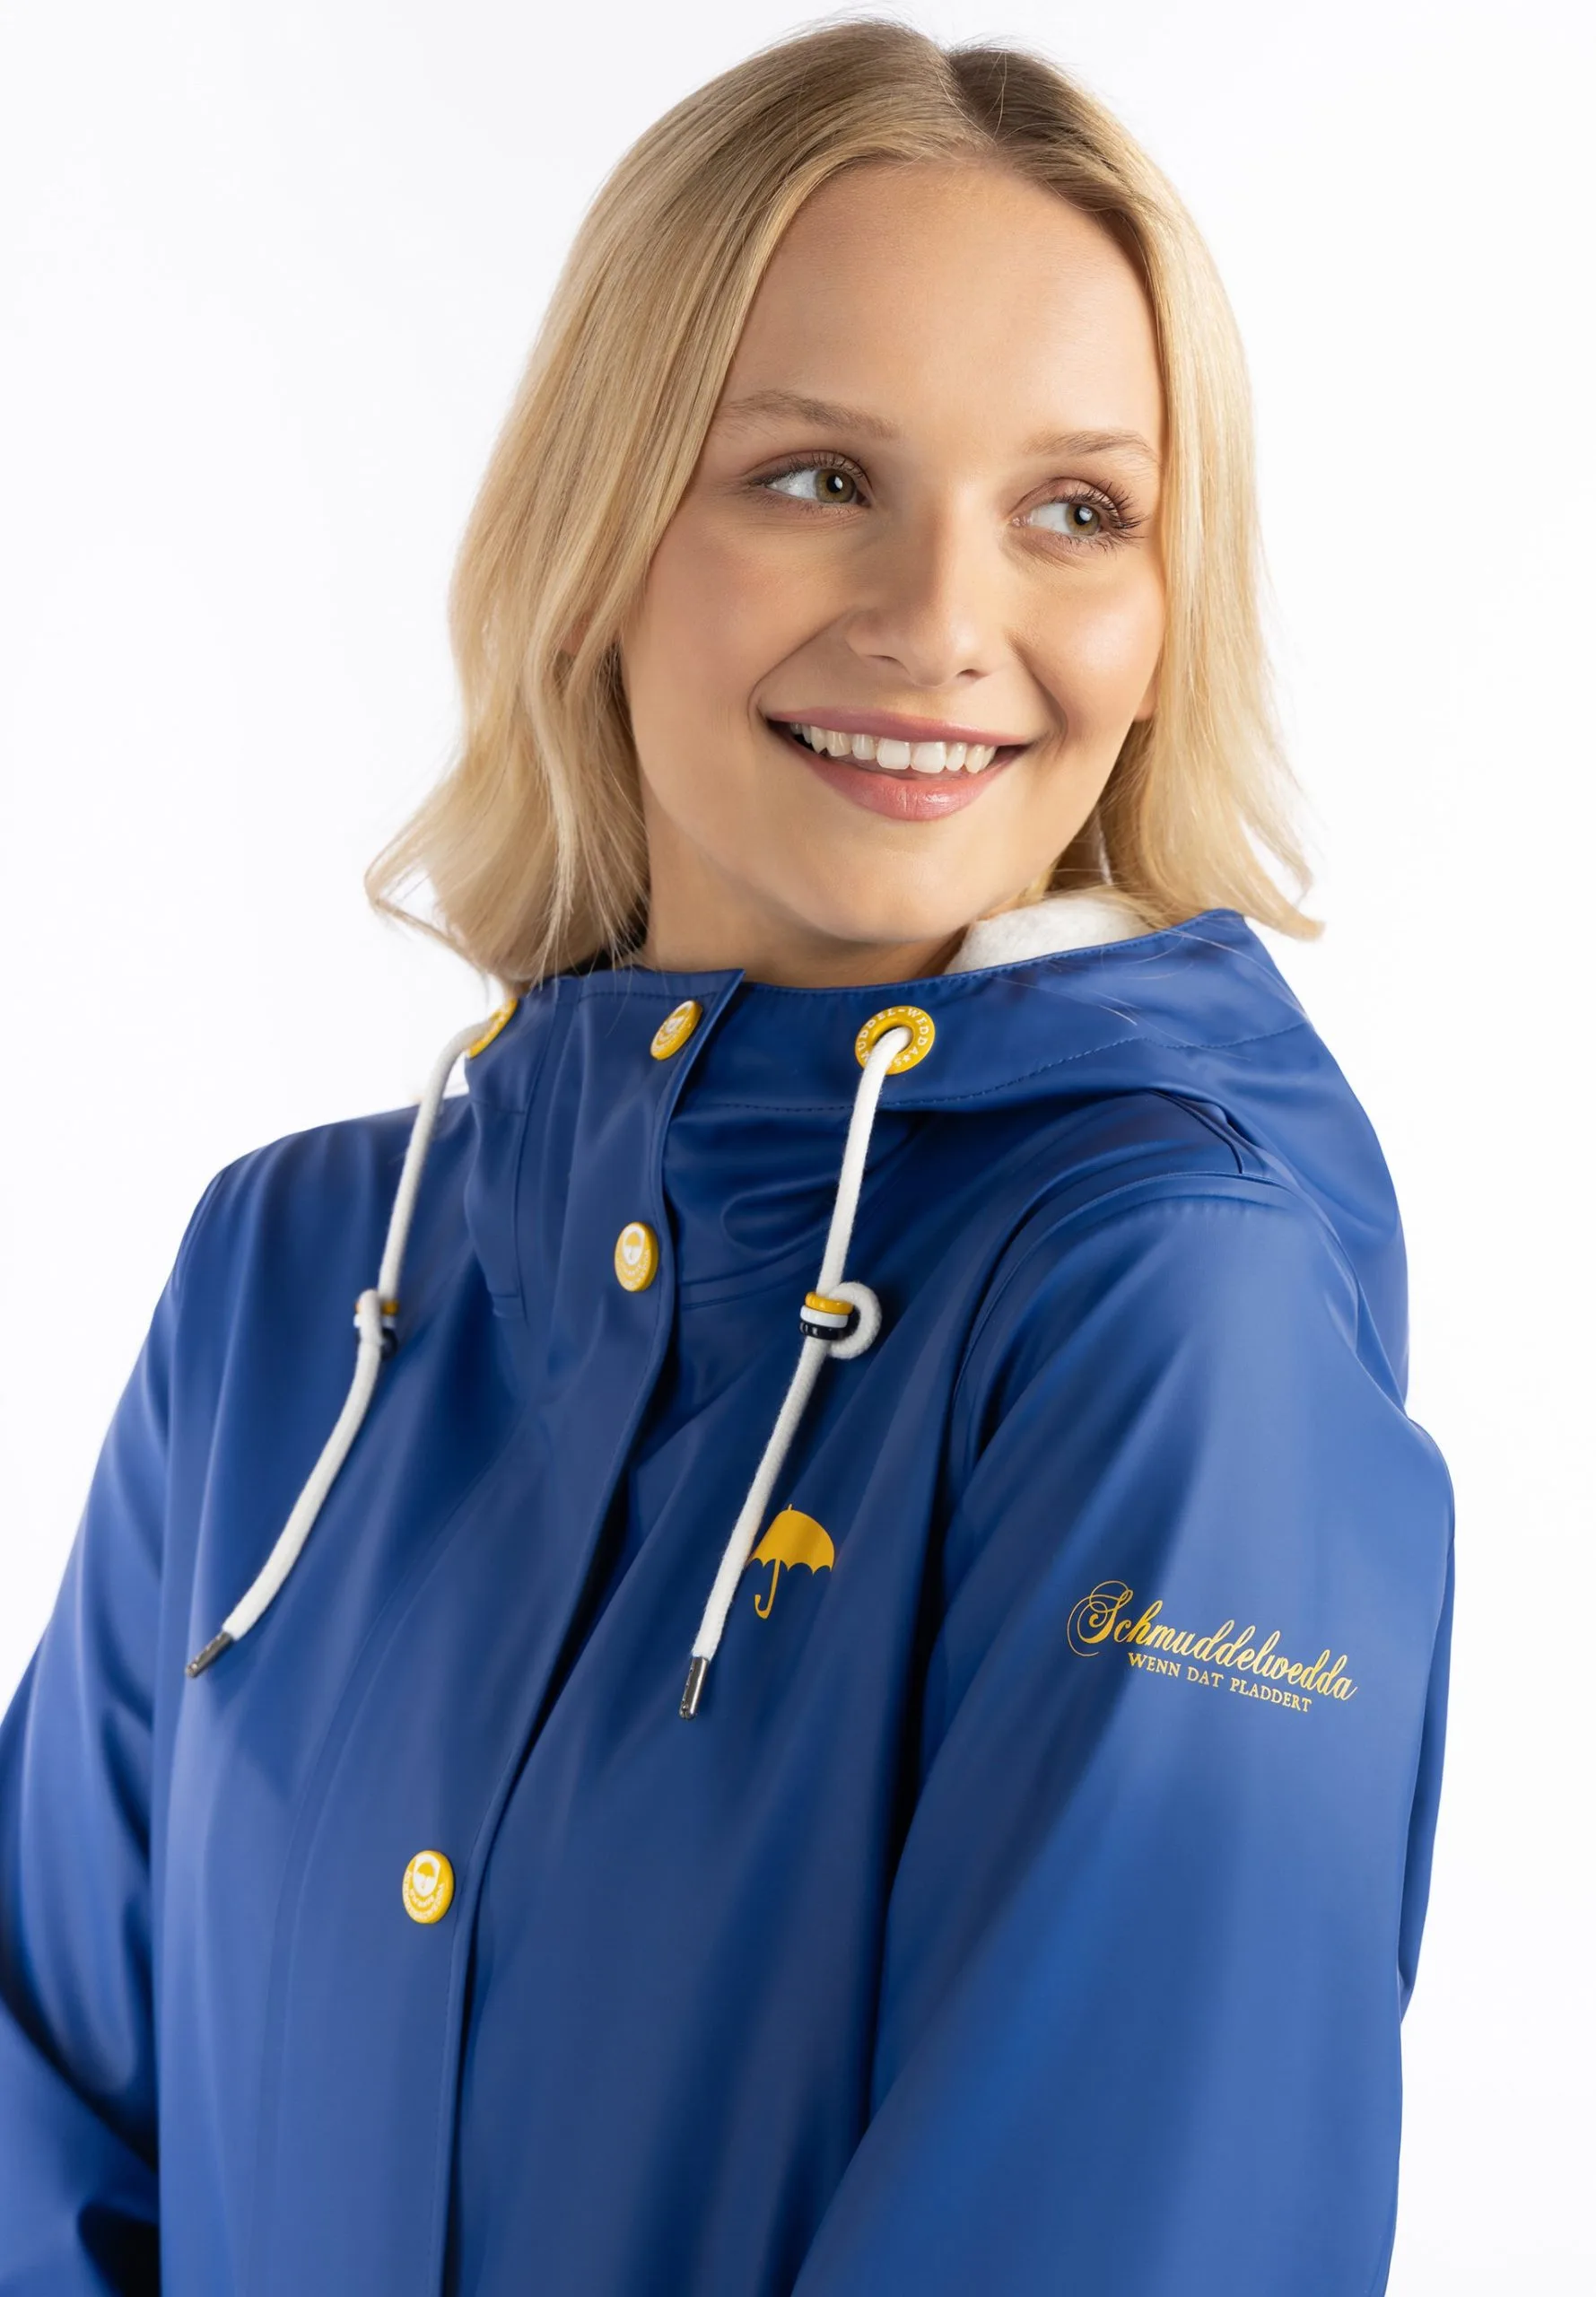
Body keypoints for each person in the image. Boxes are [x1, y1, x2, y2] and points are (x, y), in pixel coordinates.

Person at [0, 20, 1455, 2294]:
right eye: (814, 474)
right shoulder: (292, 1282)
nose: (942, 623)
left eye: (1076, 510)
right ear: (597, 533)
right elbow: (45, 2122)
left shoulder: (1169, 1311)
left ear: (1168, 616)